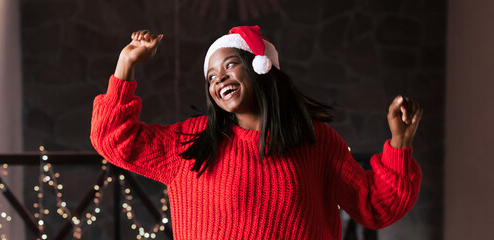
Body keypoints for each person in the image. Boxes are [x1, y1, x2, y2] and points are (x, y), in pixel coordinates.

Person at [90, 25, 423, 239]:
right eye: (210, 77)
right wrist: (126, 65)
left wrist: (400, 142)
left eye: (230, 64)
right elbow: (112, 138)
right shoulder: (192, 142)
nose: (218, 78)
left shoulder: (316, 141)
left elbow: (375, 206)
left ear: (261, 68)